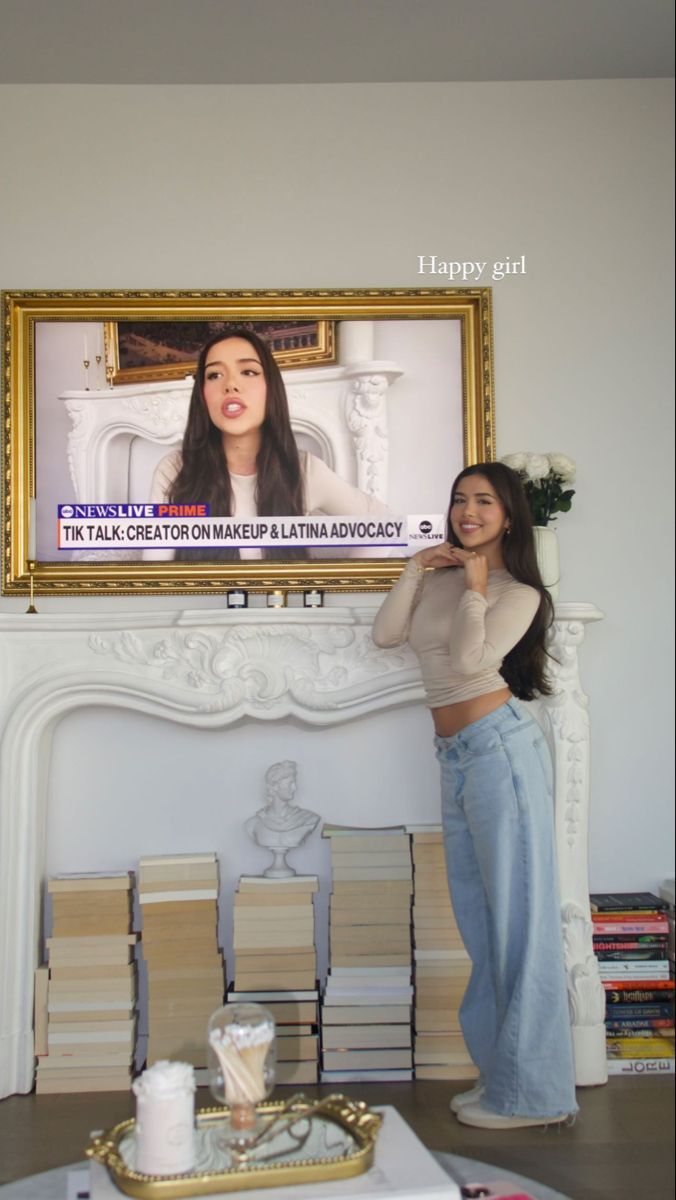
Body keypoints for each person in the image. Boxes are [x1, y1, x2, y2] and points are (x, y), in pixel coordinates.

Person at [372, 461, 577, 1130]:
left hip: (501, 754)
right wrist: (413, 569)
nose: (468, 511)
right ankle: (501, 1080)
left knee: (520, 924)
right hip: (457, 759)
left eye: (484, 502)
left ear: (509, 515)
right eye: (460, 499)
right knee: (483, 927)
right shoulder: (440, 580)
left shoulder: (519, 593)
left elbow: (468, 663)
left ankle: (535, 1096)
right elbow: (386, 634)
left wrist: (478, 588)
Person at [146, 327, 390, 561]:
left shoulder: (304, 469)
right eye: (214, 375)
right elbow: (155, 571)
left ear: (270, 387)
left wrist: (343, 589)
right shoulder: (175, 470)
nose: (230, 384)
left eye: (248, 372)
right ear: (202, 395)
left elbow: (382, 523)